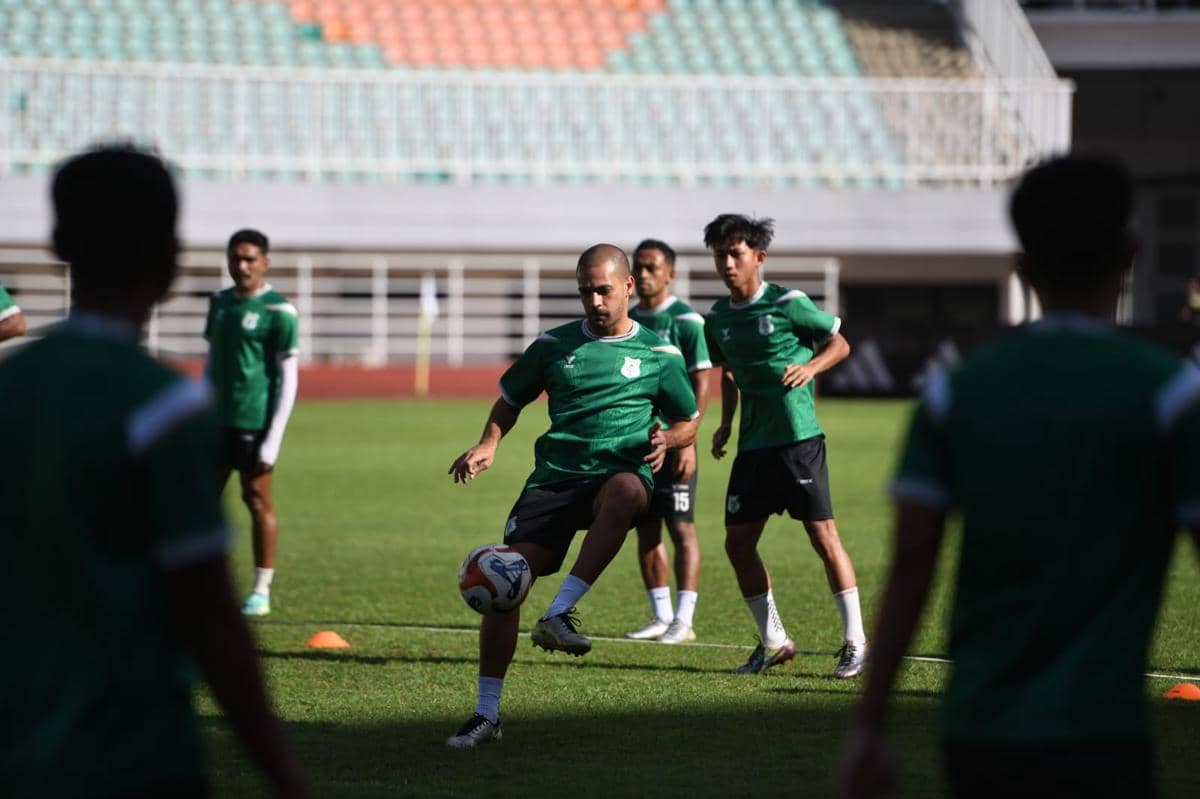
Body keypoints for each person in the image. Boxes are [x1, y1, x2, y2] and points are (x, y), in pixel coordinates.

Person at [835, 155, 1200, 799]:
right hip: (1106, 735)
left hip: (980, 731)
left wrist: (868, 728)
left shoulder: (955, 394)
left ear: (1023, 267)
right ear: (1131, 255)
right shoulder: (1172, 395)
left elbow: (912, 569)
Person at [0, 146, 307, 797]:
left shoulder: (13, 389)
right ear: (170, 259)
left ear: (59, 246)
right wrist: (283, 772)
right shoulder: (165, 407)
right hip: (135, 751)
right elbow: (209, 616)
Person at [446, 244, 700, 748]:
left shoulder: (660, 354)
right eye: (586, 292)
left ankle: (559, 611)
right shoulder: (552, 346)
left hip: (617, 473)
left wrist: (669, 440)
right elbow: (510, 400)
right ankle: (486, 714)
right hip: (555, 480)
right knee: (504, 580)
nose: (595, 301)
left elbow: (688, 419)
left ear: (628, 286)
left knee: (626, 489)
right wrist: (489, 443)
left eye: (603, 290)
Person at [703, 214, 867, 678]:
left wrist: (811, 368)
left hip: (798, 440)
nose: (727, 263)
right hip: (753, 446)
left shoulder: (788, 303)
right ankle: (774, 640)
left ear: (759, 257)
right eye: (720, 255)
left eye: (735, 254)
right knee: (738, 544)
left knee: (823, 537)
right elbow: (728, 372)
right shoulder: (718, 318)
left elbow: (840, 344)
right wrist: (726, 423)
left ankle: (856, 640)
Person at [205, 229, 299, 617]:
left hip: (254, 422)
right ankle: (201, 586)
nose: (241, 266)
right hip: (215, 422)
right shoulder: (219, 302)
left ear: (265, 262)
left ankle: (261, 590)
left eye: (249, 259)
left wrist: (272, 440)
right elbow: (212, 362)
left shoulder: (279, 311)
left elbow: (288, 376)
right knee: (199, 502)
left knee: (256, 499)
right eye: (236, 258)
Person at [624, 238, 712, 644]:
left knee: (681, 528)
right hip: (638, 443)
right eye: (638, 267)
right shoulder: (628, 322)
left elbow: (701, 383)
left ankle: (684, 619)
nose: (643, 274)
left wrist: (687, 439)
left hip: (675, 442)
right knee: (646, 529)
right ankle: (661, 616)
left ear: (670, 273)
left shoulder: (687, 321)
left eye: (652, 268)